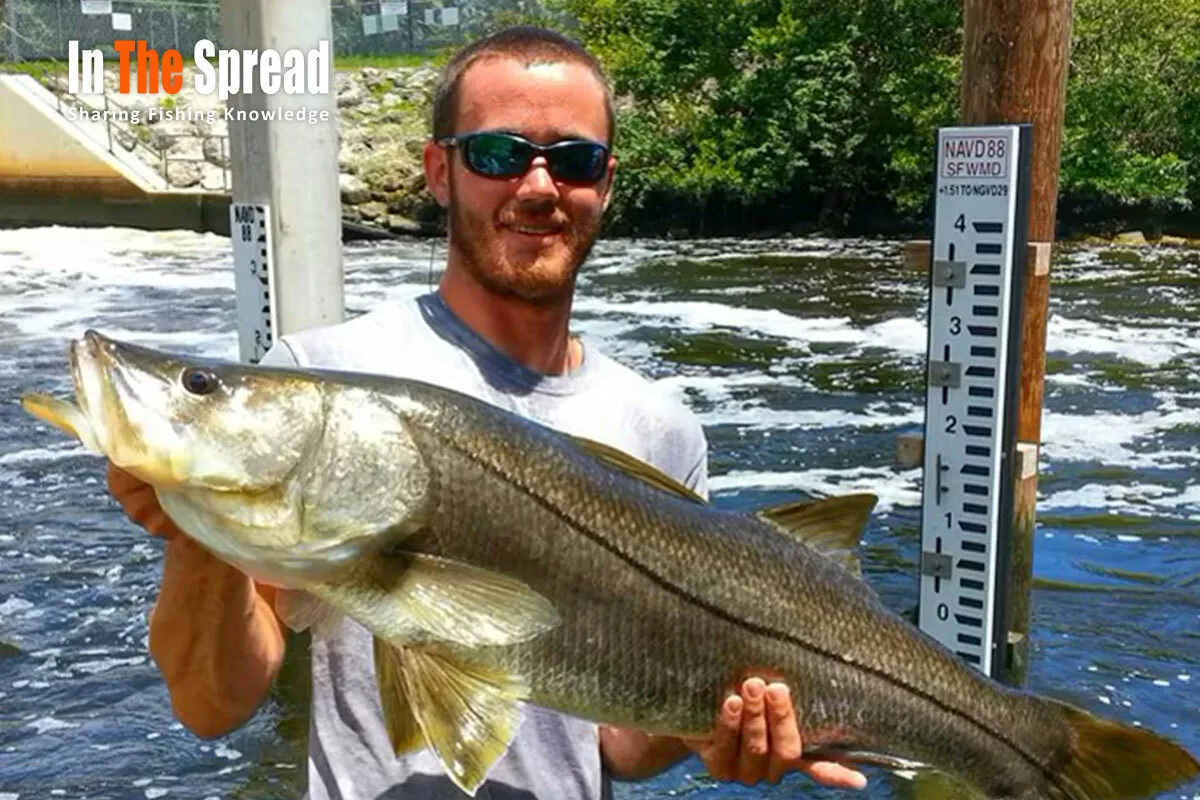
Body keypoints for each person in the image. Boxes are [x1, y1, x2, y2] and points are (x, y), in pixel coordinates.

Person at [106, 25, 869, 800]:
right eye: (499, 154)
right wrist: (194, 525)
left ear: (605, 183)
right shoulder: (322, 380)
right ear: (441, 171)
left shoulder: (659, 425)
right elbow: (210, 704)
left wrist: (714, 728)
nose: (537, 187)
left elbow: (617, 743)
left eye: (574, 160)